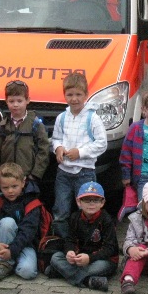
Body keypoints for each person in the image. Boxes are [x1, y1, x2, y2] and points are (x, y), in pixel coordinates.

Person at [50, 72, 107, 238]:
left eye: (78, 94)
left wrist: (80, 153)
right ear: (64, 95)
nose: (74, 99)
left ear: (86, 95)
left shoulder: (93, 118)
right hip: (64, 173)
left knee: (87, 210)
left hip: (85, 172)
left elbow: (101, 143)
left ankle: (87, 241)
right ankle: (63, 242)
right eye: (70, 95)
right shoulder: (62, 118)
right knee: (61, 210)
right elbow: (56, 138)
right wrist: (58, 148)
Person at [49, 181, 119, 292]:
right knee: (56, 257)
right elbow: (69, 240)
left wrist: (90, 258)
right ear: (79, 202)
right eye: (87, 200)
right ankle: (88, 280)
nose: (91, 204)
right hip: (80, 258)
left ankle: (62, 272)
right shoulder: (74, 217)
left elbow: (109, 249)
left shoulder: (107, 220)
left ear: (102, 202)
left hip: (102, 260)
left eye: (95, 200)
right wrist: (69, 251)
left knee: (101, 266)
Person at [0, 162, 42, 281]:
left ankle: (12, 262)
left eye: (14, 186)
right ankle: (5, 263)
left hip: (26, 245)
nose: (10, 191)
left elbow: (28, 232)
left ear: (23, 182)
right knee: (7, 223)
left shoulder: (32, 202)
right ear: (0, 186)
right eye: (5, 188)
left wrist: (12, 251)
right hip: (6, 244)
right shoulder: (0, 202)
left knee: (28, 272)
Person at [0, 79, 50, 183]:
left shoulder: (35, 124)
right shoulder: (4, 125)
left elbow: (44, 150)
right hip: (6, 178)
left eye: (19, 101)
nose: (15, 105)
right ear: (6, 101)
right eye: (11, 101)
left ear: (27, 100)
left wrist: (35, 174)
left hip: (28, 177)